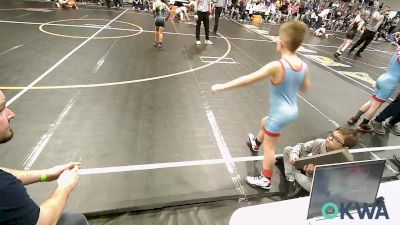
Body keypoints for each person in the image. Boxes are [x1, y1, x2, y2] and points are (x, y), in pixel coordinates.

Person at [211, 21, 311, 190]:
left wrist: (221, 86)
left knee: (270, 148)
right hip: (292, 110)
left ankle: (266, 179)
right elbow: (305, 88)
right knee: (265, 122)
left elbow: (247, 80)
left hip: (280, 113)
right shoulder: (303, 66)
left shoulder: (277, 66)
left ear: (281, 43)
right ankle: (256, 142)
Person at [0, 90, 87, 225]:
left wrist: (45, 175)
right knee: (75, 221)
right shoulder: (4, 188)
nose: (11, 114)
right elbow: (43, 222)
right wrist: (64, 187)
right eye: (1, 109)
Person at [282, 127, 359, 198]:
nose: (329, 138)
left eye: (336, 140)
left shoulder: (345, 162)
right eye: (331, 134)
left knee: (319, 191)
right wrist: (293, 154)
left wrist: (314, 173)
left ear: (345, 147)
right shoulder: (320, 142)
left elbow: (332, 185)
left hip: (316, 183)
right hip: (306, 167)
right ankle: (291, 180)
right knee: (288, 150)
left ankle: (292, 174)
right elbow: (300, 146)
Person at [347, 47, 400, 132]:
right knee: (375, 106)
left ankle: (354, 118)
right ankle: (363, 125)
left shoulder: (398, 50)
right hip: (389, 83)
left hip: (383, 78)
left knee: (371, 101)